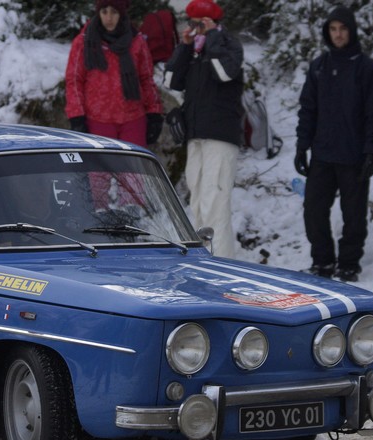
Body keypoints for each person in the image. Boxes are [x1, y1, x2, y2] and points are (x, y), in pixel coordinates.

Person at [295, 5, 373, 282]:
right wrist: (302, 145)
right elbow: (308, 108)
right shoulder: (319, 66)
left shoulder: (367, 68)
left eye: (343, 29)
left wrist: (372, 150)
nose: (338, 34)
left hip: (354, 154)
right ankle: (322, 261)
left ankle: (348, 263)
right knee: (313, 210)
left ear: (352, 31)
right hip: (322, 153)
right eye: (333, 29)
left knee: (354, 215)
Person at [163, 0, 244, 258]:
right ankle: (206, 261)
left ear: (215, 23)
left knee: (215, 203)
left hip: (220, 136)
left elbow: (224, 73)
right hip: (195, 135)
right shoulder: (195, 51)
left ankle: (223, 265)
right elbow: (170, 81)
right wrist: (185, 46)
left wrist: (212, 38)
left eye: (202, 23)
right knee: (198, 203)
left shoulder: (228, 45)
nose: (196, 28)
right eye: (193, 23)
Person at [65, 0, 164, 148]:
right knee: (101, 171)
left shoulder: (137, 41)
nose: (109, 18)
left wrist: (154, 113)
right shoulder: (84, 42)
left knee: (134, 170)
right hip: (97, 120)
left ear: (122, 13)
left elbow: (146, 79)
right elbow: (74, 80)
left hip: (133, 119)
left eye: (114, 12)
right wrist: (77, 117)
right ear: (98, 13)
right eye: (104, 12)